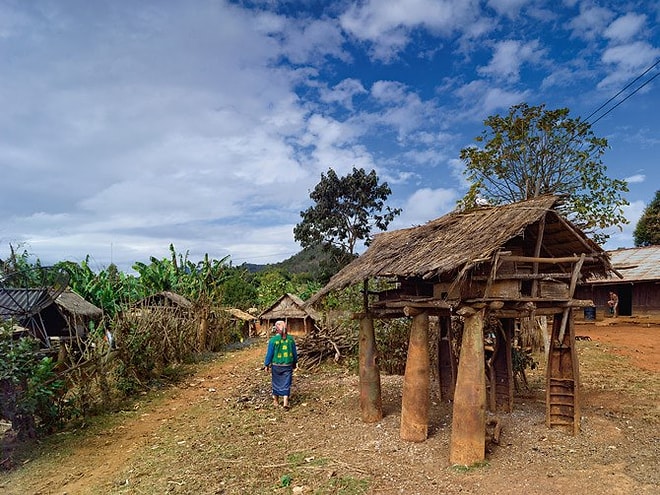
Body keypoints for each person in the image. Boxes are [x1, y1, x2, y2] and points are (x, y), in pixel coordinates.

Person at [263, 320, 298, 409]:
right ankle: (285, 402)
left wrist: (266, 364)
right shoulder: (290, 339)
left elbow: (269, 354)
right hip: (287, 364)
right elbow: (294, 353)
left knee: (276, 382)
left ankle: (276, 401)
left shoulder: (273, 340)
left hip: (276, 365)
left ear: (276, 329)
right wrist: (295, 363)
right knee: (286, 382)